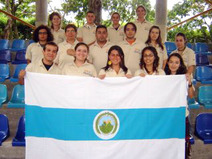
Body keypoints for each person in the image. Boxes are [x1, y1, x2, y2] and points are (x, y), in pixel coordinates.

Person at [165, 53, 194, 158]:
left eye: (176, 62)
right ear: (167, 63)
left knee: (182, 143)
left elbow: (191, 95)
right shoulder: (163, 77)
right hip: (168, 116)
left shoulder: (184, 77)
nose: (173, 65)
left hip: (182, 115)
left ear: (180, 64)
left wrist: (189, 83)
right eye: (171, 62)